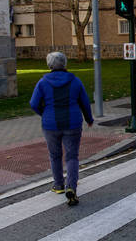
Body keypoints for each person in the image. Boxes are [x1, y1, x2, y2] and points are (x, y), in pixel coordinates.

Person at [30, 52, 93, 206]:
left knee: (55, 155)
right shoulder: (75, 81)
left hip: (50, 124)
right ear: (65, 64)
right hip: (72, 123)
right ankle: (71, 186)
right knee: (72, 156)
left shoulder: (42, 82)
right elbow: (85, 102)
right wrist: (89, 119)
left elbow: (33, 103)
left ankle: (58, 185)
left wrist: (44, 114)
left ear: (49, 65)